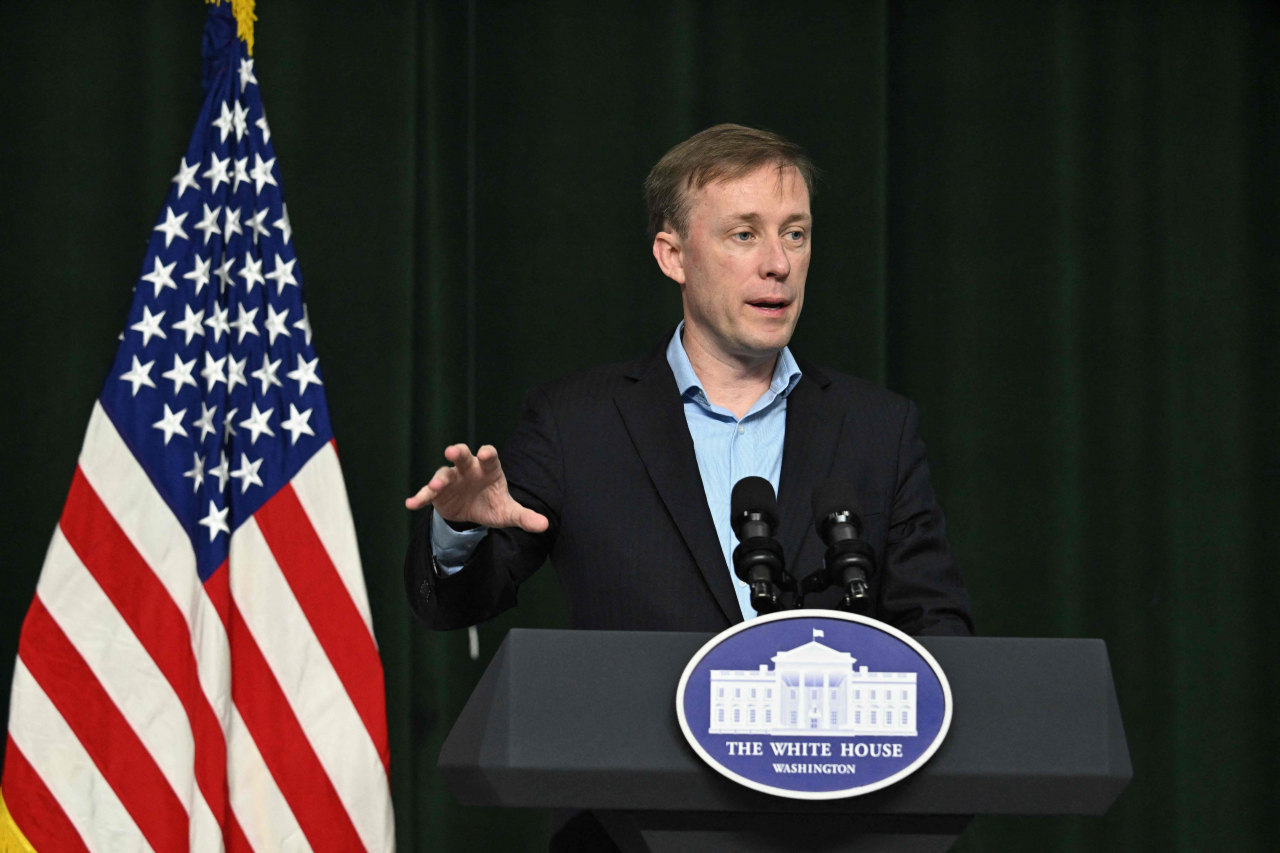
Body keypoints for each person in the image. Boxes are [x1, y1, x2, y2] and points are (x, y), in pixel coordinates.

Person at [403, 124, 973, 636]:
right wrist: (458, 531)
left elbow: (938, 630)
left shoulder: (878, 427)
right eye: (744, 235)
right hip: (640, 748)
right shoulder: (577, 422)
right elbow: (453, 606)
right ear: (672, 256)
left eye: (794, 234)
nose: (778, 262)